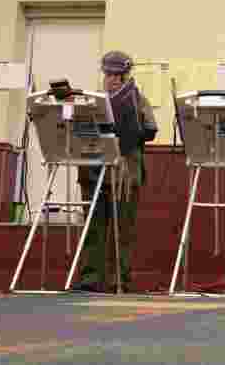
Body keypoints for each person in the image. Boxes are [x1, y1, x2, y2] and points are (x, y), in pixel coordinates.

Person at [72, 51, 158, 293]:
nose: (113, 80)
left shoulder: (138, 98)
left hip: (125, 172)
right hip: (93, 170)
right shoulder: (92, 101)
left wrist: (131, 126)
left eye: (118, 75)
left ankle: (119, 280)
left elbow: (151, 130)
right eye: (109, 74)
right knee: (93, 227)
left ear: (126, 75)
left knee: (123, 229)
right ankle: (91, 278)